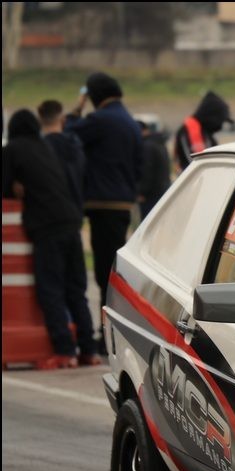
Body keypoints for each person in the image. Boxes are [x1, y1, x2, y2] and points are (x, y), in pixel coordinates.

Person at [2, 110, 101, 369]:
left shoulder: (12, 149)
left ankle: (64, 351)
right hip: (71, 223)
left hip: (47, 227)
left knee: (50, 289)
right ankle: (88, 350)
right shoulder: (45, 147)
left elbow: (5, 188)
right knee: (75, 290)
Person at [64, 71, 142, 352]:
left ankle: (107, 334)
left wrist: (77, 108)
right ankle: (110, 330)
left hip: (103, 202)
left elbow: (67, 134)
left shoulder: (101, 120)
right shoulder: (130, 121)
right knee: (112, 267)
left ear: (94, 96)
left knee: (103, 272)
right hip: (122, 202)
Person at [36, 99, 85, 211]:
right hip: (74, 209)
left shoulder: (36, 148)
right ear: (63, 120)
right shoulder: (75, 145)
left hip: (45, 210)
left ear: (39, 120)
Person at [174, 91, 233, 171]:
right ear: (213, 117)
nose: (221, 126)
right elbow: (196, 166)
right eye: (221, 120)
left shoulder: (205, 132)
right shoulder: (189, 131)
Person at [137, 119, 171, 220]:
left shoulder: (146, 146)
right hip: (162, 191)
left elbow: (146, 171)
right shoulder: (159, 143)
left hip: (150, 196)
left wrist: (142, 192)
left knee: (148, 222)